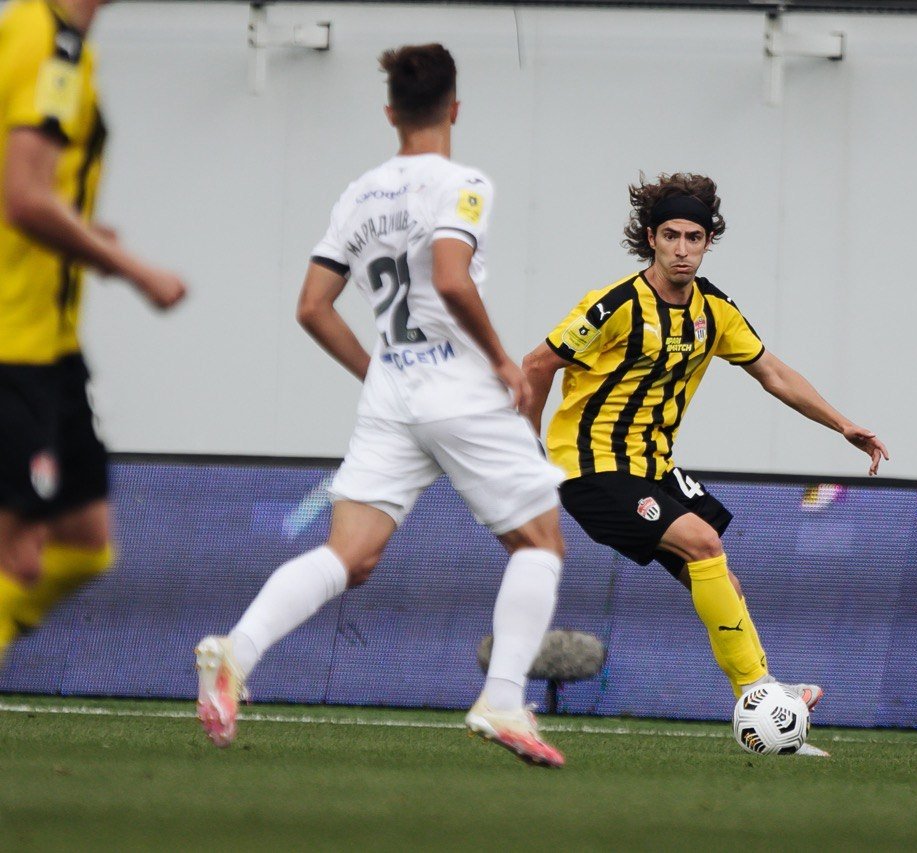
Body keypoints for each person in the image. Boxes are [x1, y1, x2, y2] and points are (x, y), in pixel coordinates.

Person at [194, 44, 568, 768]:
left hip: (392, 393)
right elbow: (452, 280)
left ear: (390, 112)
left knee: (349, 556)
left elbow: (313, 306)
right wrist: (499, 358)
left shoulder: (358, 194)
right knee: (539, 543)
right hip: (458, 385)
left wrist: (377, 371)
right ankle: (501, 698)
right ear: (454, 107)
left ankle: (235, 653)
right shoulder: (463, 183)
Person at [523, 173, 888, 743]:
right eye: (670, 236)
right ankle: (761, 691)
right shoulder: (615, 305)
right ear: (651, 238)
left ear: (708, 241)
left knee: (720, 578)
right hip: (591, 467)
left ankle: (764, 696)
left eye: (694, 237)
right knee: (702, 541)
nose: (682, 249)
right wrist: (527, 453)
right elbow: (535, 366)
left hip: (653, 467)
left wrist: (841, 423)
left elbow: (773, 372)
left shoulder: (714, 309)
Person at [0, 0, 186, 659]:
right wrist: (134, 269)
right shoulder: (47, 41)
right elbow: (25, 197)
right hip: (13, 344)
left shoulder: (67, 44)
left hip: (50, 347)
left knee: (83, 543)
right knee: (19, 553)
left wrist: (84, 239)